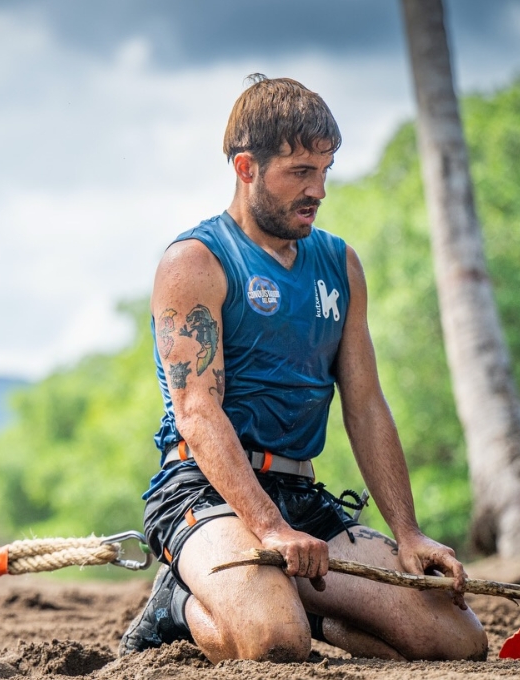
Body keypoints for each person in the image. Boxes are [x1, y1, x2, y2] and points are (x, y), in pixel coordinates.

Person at [119, 75, 488, 663]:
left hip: (300, 495)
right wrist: (265, 526)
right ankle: (177, 605)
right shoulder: (195, 261)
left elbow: (365, 405)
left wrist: (410, 532)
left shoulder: (340, 263)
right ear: (246, 168)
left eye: (325, 170)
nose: (317, 189)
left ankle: (302, 602)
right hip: (204, 492)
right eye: (299, 172)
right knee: (274, 642)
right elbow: (196, 411)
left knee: (456, 641)